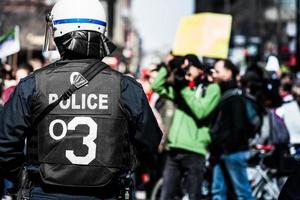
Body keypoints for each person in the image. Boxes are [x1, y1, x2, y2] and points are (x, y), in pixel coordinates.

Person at [0, 0, 162, 199]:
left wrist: (23, 178)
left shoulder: (32, 85)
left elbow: (5, 145)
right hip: (106, 193)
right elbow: (150, 142)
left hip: (44, 193)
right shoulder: (126, 88)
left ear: (57, 33)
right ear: (101, 32)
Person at [151, 54, 221, 200]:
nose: (187, 71)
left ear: (200, 70)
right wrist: (168, 67)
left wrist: (183, 88)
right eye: (185, 68)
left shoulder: (212, 89)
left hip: (194, 151)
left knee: (193, 195)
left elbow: (201, 111)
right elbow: (157, 86)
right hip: (174, 149)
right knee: (166, 195)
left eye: (190, 67)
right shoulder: (183, 89)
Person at [210, 59, 255, 200]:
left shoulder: (234, 96)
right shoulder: (224, 93)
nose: (214, 74)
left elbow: (238, 126)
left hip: (233, 152)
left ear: (229, 72)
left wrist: (226, 145)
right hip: (222, 151)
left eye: (217, 71)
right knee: (218, 192)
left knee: (242, 193)